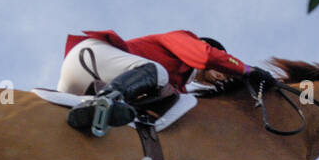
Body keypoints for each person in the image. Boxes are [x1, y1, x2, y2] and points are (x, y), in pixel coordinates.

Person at [58, 29, 276, 133]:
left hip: (78, 86)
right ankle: (106, 101)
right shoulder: (184, 38)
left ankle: (98, 109)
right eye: (222, 71)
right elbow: (206, 56)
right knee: (157, 72)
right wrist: (247, 70)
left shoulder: (178, 87)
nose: (222, 77)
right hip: (92, 59)